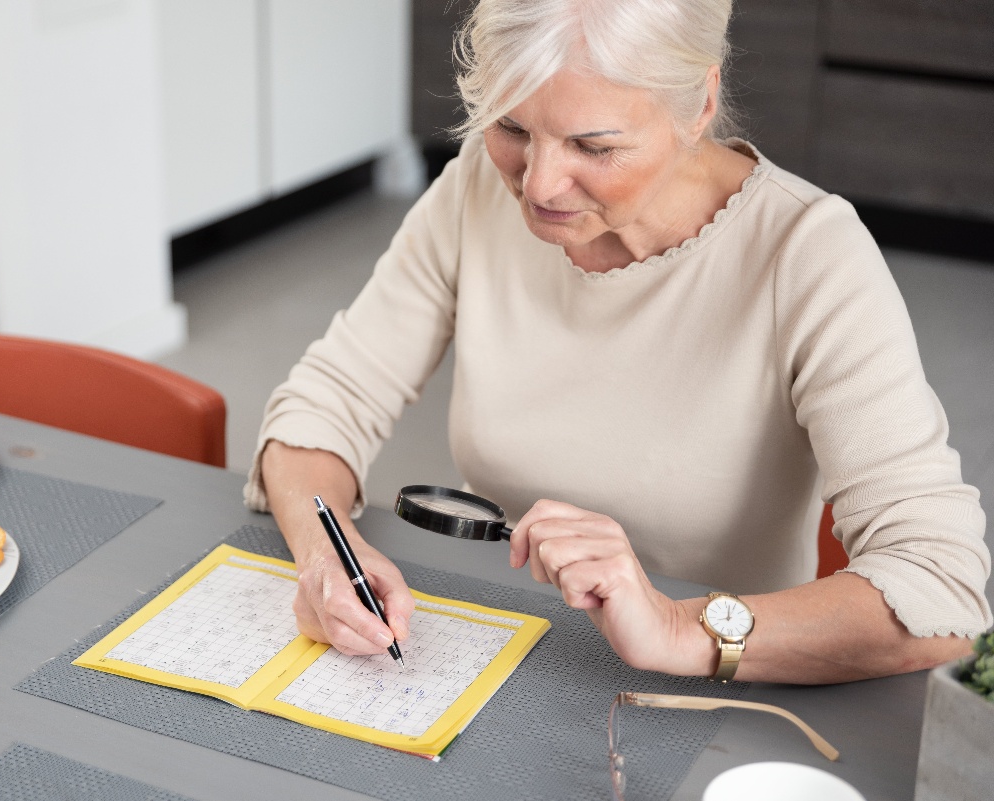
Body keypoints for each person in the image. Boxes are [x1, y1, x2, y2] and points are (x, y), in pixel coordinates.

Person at [244, 0, 992, 684]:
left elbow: (943, 591)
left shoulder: (807, 253)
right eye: (512, 127)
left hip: (720, 699)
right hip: (500, 655)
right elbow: (324, 404)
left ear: (699, 102)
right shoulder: (477, 185)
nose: (539, 186)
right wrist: (323, 555)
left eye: (593, 147)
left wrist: (679, 628)